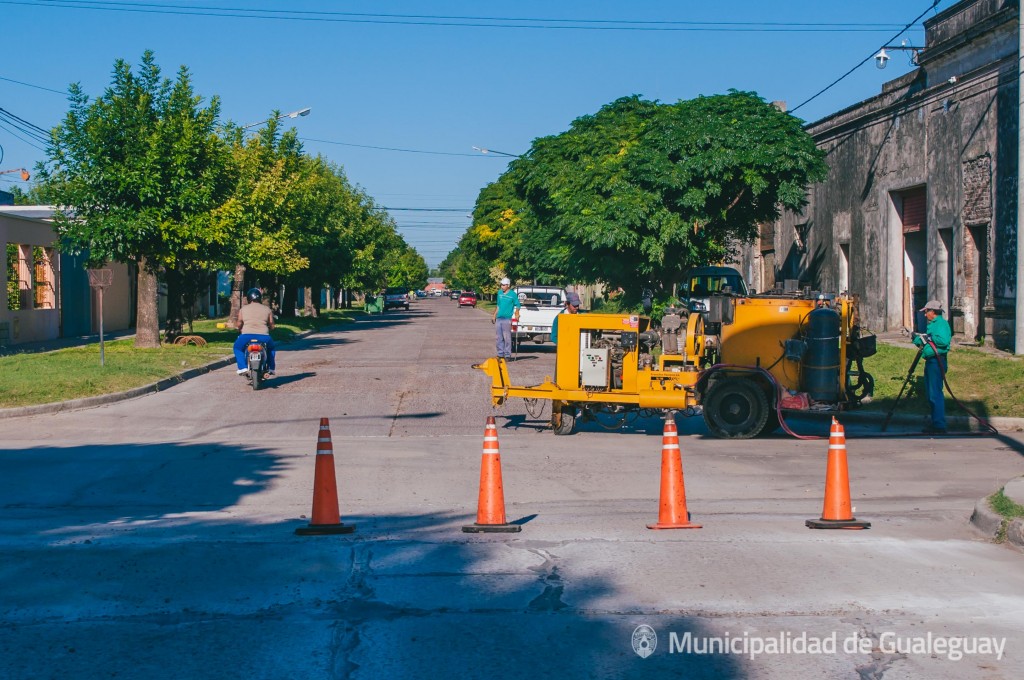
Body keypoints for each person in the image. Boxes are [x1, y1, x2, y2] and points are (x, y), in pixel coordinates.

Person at [913, 299, 951, 434]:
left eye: (926, 312)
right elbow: (927, 340)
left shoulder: (941, 324)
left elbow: (943, 341)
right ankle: (936, 422)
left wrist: (929, 337)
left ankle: (939, 425)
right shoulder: (934, 324)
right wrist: (916, 338)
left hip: (937, 361)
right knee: (931, 393)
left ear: (933, 312)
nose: (924, 315)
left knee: (935, 393)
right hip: (931, 361)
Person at [234, 288, 276, 376]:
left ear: (249, 298)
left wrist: (239, 328)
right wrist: (271, 327)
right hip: (264, 336)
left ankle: (242, 368)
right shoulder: (267, 309)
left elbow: (239, 323)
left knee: (237, 348)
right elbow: (271, 323)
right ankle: (271, 368)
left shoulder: (243, 309)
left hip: (246, 336)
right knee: (271, 348)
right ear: (260, 298)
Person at [491, 277, 520, 360]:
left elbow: (517, 305)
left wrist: (517, 313)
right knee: (498, 337)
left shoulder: (512, 294)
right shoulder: (499, 293)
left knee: (507, 337)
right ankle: (500, 354)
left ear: (508, 285)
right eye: (501, 285)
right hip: (499, 318)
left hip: (507, 319)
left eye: (503, 285)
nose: (502, 286)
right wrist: (494, 315)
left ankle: (507, 355)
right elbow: (498, 305)